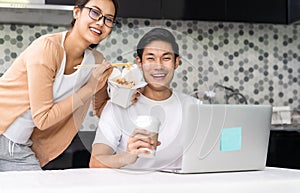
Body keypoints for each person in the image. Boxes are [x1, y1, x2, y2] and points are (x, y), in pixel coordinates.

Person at [0, 0, 122, 171]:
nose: (101, 22)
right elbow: (42, 119)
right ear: (77, 13)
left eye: (109, 19)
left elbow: (102, 108)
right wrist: (89, 88)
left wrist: (128, 97)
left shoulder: (97, 62)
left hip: (17, 146)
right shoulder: (47, 48)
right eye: (95, 12)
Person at [90, 28, 201, 170]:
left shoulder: (194, 107)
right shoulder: (117, 107)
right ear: (139, 62)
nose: (158, 66)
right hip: (132, 189)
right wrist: (128, 156)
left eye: (166, 58)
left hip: (180, 189)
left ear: (176, 62)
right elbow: (95, 162)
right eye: (150, 58)